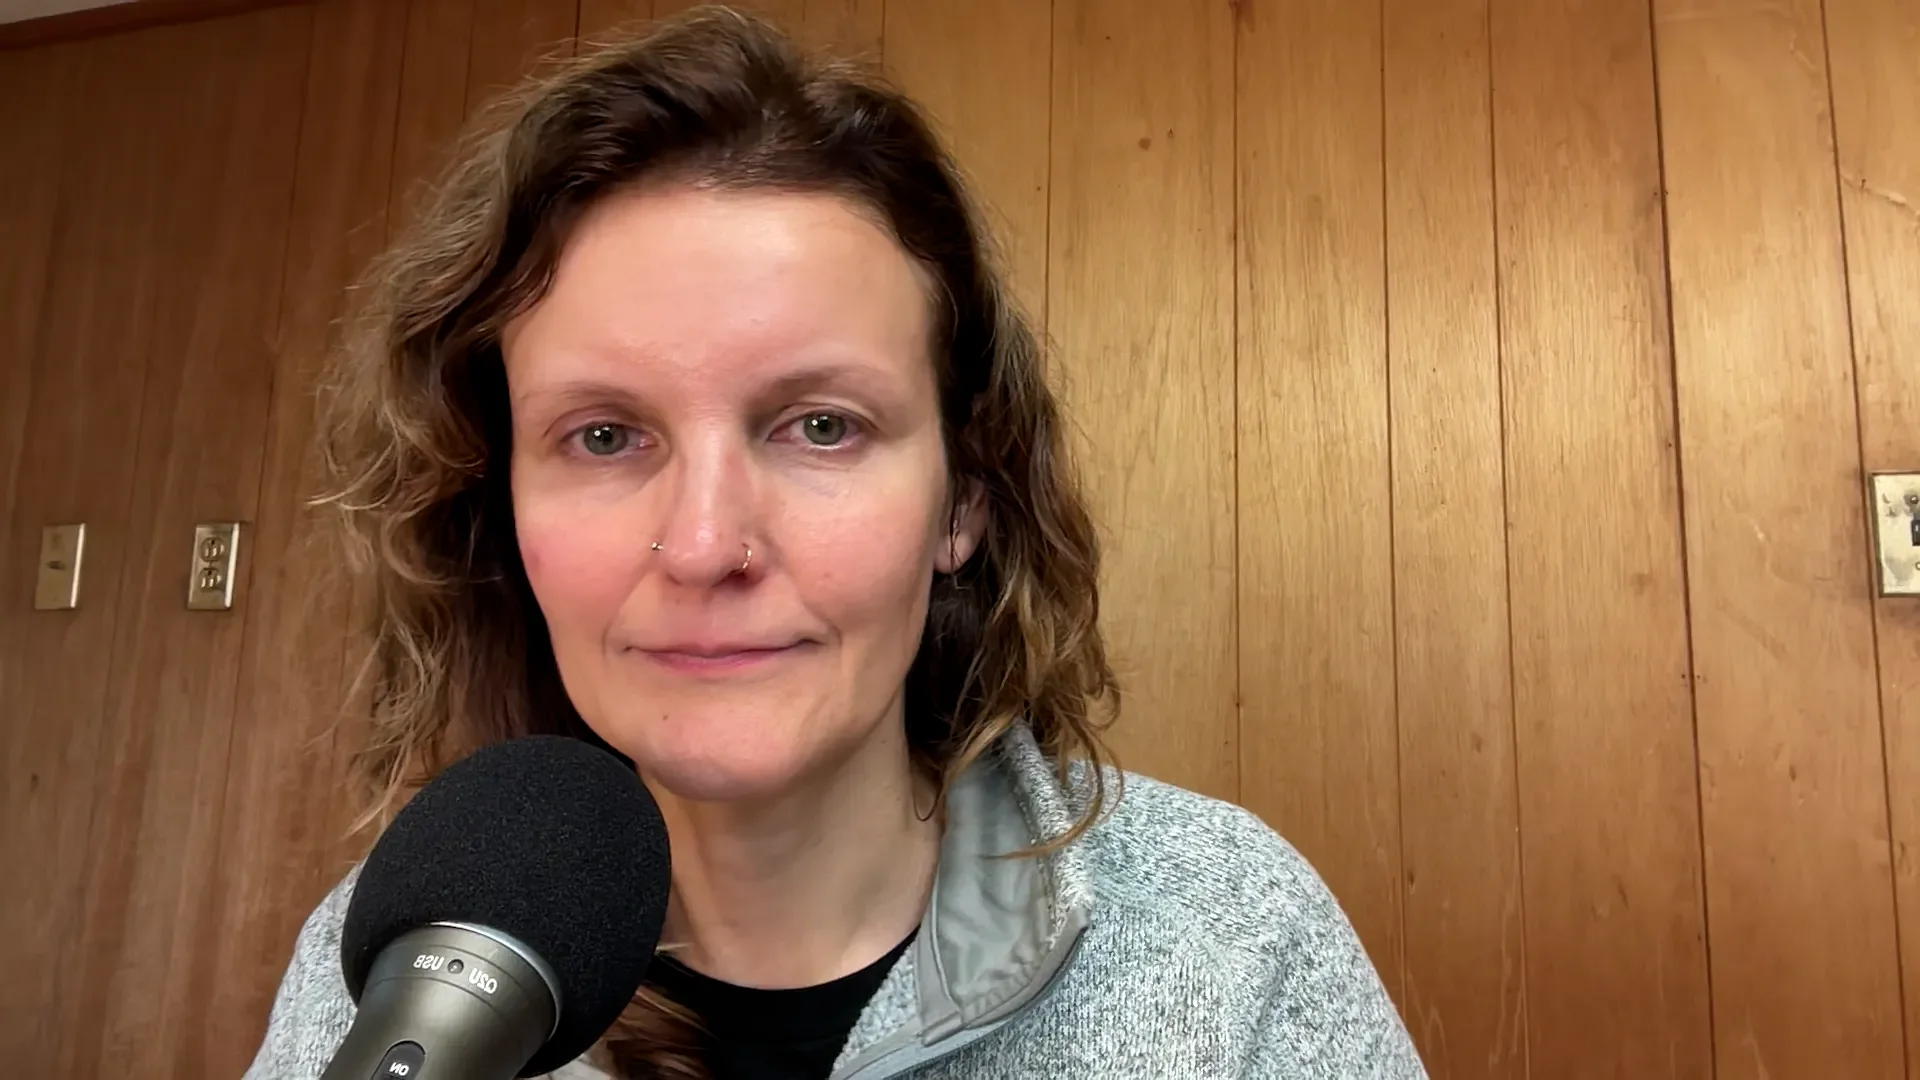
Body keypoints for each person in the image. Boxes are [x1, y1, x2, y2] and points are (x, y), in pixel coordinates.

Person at [244, 8, 1425, 1079]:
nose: (705, 544)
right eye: (603, 437)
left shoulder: (1228, 938)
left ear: (964, 500)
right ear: (497, 506)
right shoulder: (402, 980)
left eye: (821, 426)